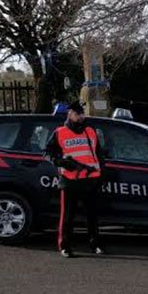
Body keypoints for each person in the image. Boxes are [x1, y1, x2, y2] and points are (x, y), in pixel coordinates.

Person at [45, 101, 106, 258]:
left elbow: (99, 154)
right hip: (70, 179)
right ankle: (65, 246)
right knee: (67, 216)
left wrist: (101, 173)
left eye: (82, 113)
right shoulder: (60, 132)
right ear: (69, 114)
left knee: (92, 216)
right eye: (77, 114)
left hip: (91, 179)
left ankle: (95, 244)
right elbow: (48, 153)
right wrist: (61, 162)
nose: (81, 117)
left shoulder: (90, 131)